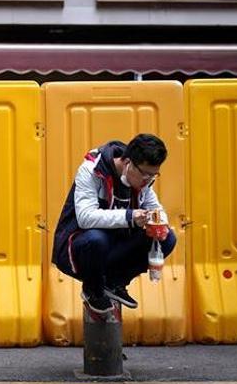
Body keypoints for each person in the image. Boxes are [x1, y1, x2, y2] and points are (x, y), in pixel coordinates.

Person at [51, 133, 176, 313]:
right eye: (145, 174)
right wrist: (129, 217)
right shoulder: (91, 170)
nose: (148, 181)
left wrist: (159, 224)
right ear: (128, 163)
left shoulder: (143, 179)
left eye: (153, 175)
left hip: (114, 246)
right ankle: (93, 291)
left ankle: (114, 283)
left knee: (168, 238)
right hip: (79, 249)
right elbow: (85, 217)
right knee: (96, 239)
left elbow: (156, 208)